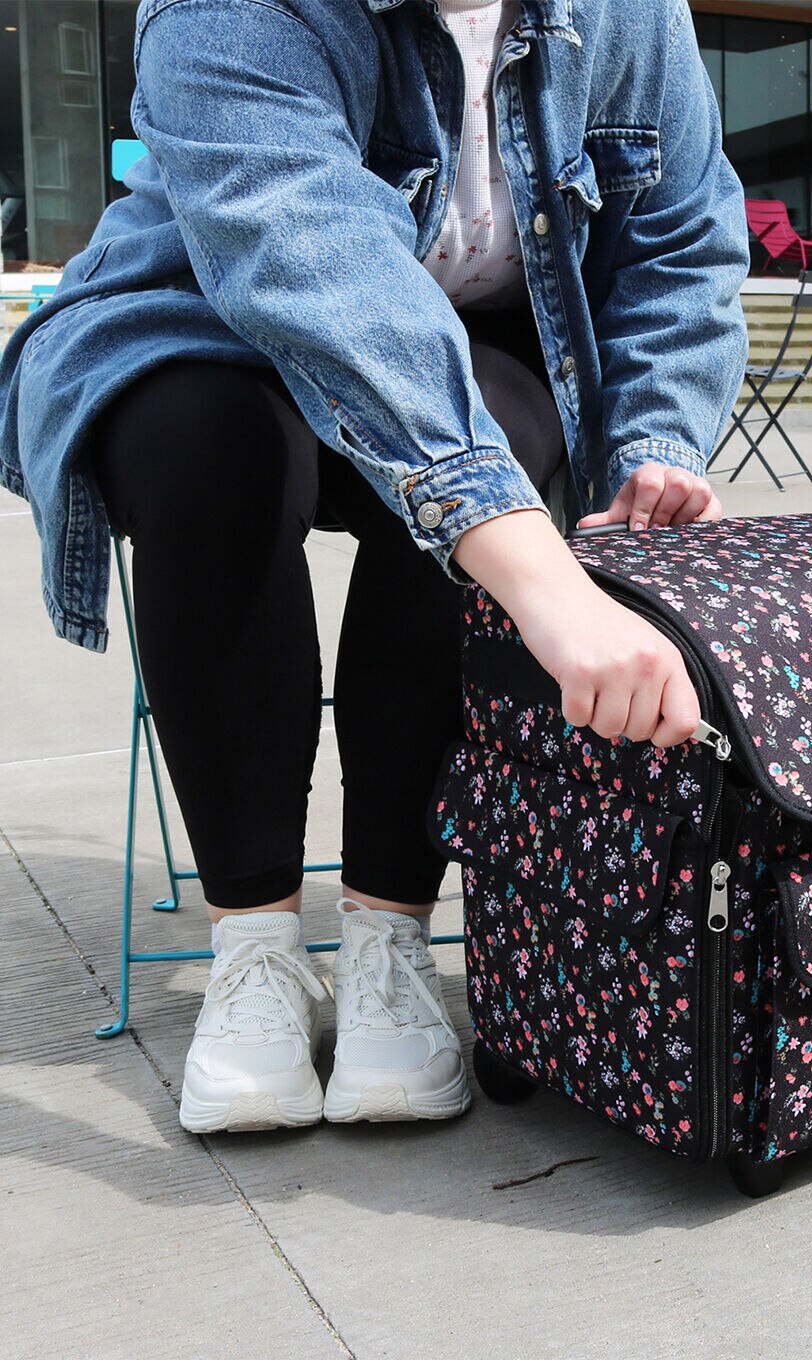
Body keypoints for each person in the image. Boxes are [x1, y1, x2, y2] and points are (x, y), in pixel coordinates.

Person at [0, 0, 748, 1134]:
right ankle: (254, 942)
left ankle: (386, 930)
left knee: (497, 437)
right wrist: (546, 586)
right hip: (205, 319)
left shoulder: (629, 14)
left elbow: (679, 240)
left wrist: (656, 441)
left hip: (480, 343)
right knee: (215, 450)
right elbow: (311, 261)